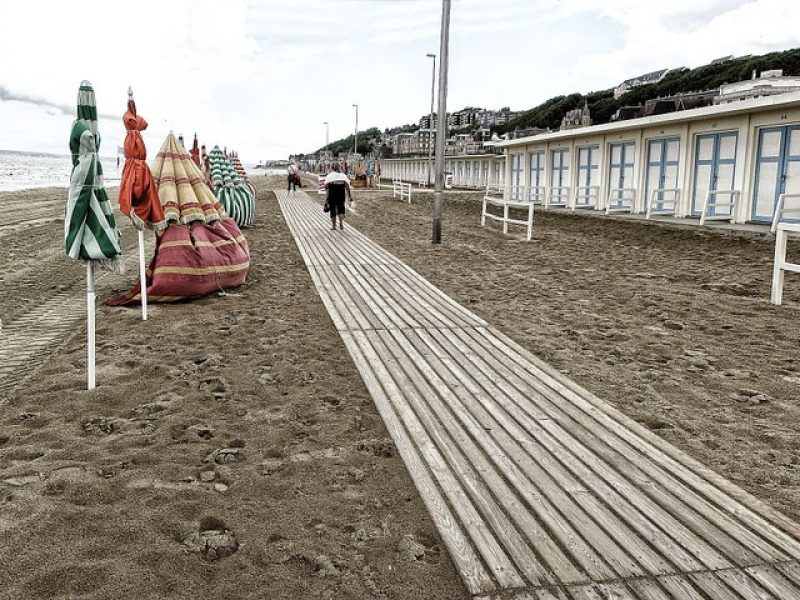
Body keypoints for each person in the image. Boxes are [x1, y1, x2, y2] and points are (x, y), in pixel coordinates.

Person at [324, 163, 352, 231]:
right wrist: (349, 195)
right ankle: (341, 224)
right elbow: (347, 186)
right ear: (339, 167)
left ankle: (333, 226)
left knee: (332, 209)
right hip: (341, 193)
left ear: (332, 168)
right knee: (341, 209)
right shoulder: (343, 175)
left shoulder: (329, 175)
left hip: (332, 193)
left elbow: (326, 186)